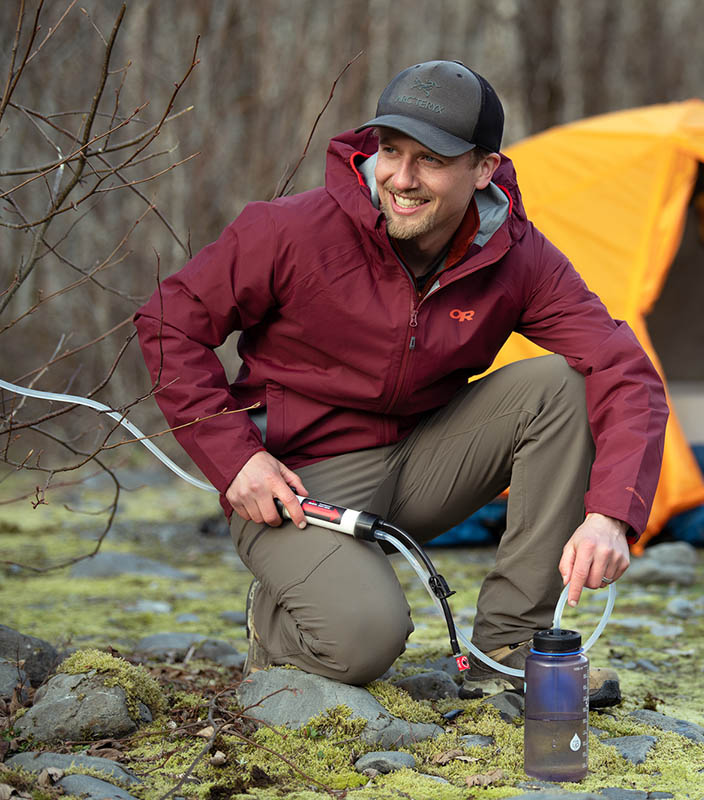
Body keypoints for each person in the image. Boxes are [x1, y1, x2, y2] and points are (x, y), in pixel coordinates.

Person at [133, 60, 668, 707]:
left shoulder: (515, 255)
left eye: (431, 160)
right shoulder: (291, 232)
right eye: (391, 151)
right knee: (363, 644)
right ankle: (279, 621)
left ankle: (509, 647)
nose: (401, 179)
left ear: (483, 169)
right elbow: (168, 321)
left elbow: (623, 369)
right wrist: (236, 458)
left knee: (565, 384)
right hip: (295, 486)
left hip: (423, 461)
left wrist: (611, 515)